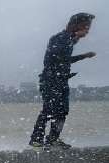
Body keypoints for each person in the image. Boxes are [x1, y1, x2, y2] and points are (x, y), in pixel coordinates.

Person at [29, 13, 96, 150]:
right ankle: (36, 140)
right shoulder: (59, 38)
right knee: (48, 110)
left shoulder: (69, 39)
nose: (87, 31)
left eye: (88, 28)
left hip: (61, 80)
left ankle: (53, 139)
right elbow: (56, 58)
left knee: (62, 111)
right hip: (50, 81)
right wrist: (79, 47)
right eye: (85, 27)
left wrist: (82, 52)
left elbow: (64, 58)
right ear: (75, 26)